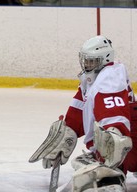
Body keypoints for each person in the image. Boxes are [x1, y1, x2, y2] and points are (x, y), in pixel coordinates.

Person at [29, 35, 137, 191]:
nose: (87, 64)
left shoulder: (111, 76)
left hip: (131, 145)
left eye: (92, 61)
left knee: (98, 170)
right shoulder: (91, 78)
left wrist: (112, 143)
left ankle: (110, 180)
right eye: (85, 60)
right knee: (85, 165)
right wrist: (68, 132)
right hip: (131, 144)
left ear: (105, 59)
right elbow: (80, 107)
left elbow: (114, 116)